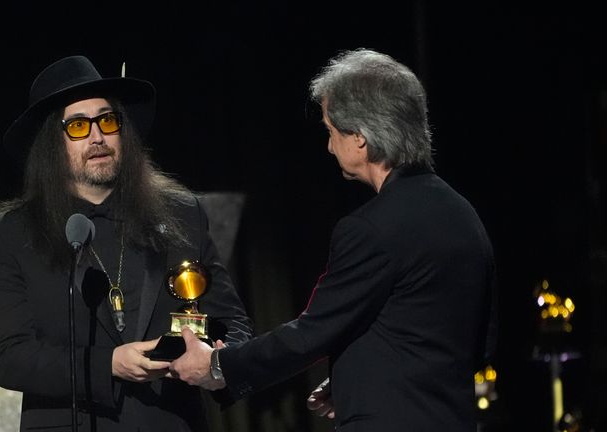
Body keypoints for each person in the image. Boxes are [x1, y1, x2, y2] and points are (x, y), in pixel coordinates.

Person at [170, 48, 497, 431]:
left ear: (359, 138)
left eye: (331, 131)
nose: (328, 146)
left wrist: (218, 366)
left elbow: (312, 333)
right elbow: (474, 343)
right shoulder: (463, 215)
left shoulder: (370, 228)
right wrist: (357, 381)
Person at [0, 55, 253, 431]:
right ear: (50, 145)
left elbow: (231, 320)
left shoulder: (181, 213)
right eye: (77, 126)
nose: (97, 137)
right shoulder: (8, 236)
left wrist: (218, 364)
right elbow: (9, 357)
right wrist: (108, 365)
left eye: (107, 120)